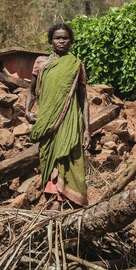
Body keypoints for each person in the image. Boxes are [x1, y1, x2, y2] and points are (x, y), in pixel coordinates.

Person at [25, 23, 90, 207]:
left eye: (65, 38)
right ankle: (53, 200)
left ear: (71, 41)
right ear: (50, 41)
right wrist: (27, 112)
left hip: (70, 122)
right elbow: (31, 91)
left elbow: (83, 99)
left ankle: (73, 204)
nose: (61, 41)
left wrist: (87, 130)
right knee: (48, 156)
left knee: (72, 160)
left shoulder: (76, 65)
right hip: (46, 122)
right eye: (57, 38)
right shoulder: (41, 63)